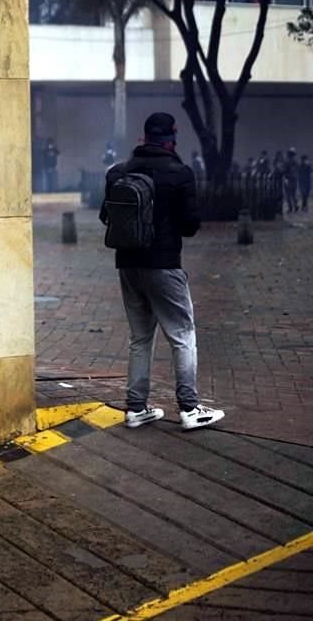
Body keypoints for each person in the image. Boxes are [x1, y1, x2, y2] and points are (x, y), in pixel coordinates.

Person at [100, 112, 225, 430]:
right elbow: (191, 226)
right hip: (164, 265)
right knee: (182, 335)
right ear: (172, 137)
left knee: (140, 338)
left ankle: (136, 408)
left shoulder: (118, 172)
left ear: (144, 137)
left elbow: (106, 217)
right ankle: (189, 408)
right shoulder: (179, 173)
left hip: (127, 265)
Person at [283, 148, 299, 214]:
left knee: (288, 195)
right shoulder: (296, 162)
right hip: (294, 179)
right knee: (293, 194)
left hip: (288, 179)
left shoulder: (287, 162)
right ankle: (295, 206)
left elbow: (284, 170)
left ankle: (290, 208)